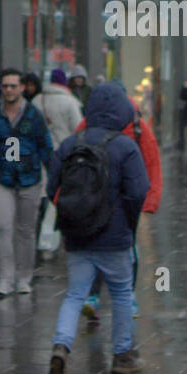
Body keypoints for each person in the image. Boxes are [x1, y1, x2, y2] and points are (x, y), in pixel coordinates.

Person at [47, 82, 150, 374]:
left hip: (77, 236)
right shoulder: (124, 145)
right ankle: (122, 355)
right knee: (120, 292)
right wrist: (128, 222)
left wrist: (72, 215)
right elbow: (138, 190)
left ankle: (60, 347)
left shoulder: (70, 143)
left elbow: (52, 187)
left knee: (75, 294)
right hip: (114, 238)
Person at [75, 82, 161, 321]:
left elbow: (70, 155)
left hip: (100, 194)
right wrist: (150, 198)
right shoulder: (136, 122)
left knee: (101, 245)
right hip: (124, 195)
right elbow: (152, 160)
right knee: (127, 246)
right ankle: (126, 297)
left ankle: (97, 296)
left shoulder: (95, 122)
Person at [0, 67, 53, 296]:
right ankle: (5, 279)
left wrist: (56, 179)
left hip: (29, 179)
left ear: (22, 88)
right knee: (2, 227)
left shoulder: (34, 115)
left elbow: (46, 147)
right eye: (5, 86)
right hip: (1, 179)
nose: (9, 90)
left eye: (13, 86)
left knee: (26, 230)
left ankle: (24, 278)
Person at [36, 68, 84, 147]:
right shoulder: (70, 101)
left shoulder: (36, 100)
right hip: (64, 148)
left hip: (42, 148)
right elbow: (78, 128)